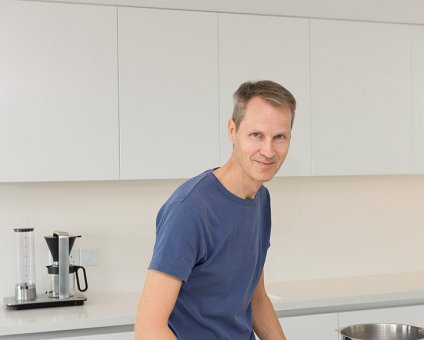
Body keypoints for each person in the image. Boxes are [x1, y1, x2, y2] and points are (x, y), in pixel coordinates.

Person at [134, 80, 296, 340]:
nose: (268, 150)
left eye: (279, 137)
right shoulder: (190, 211)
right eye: (256, 135)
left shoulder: (259, 199)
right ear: (233, 131)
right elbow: (148, 329)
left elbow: (256, 299)